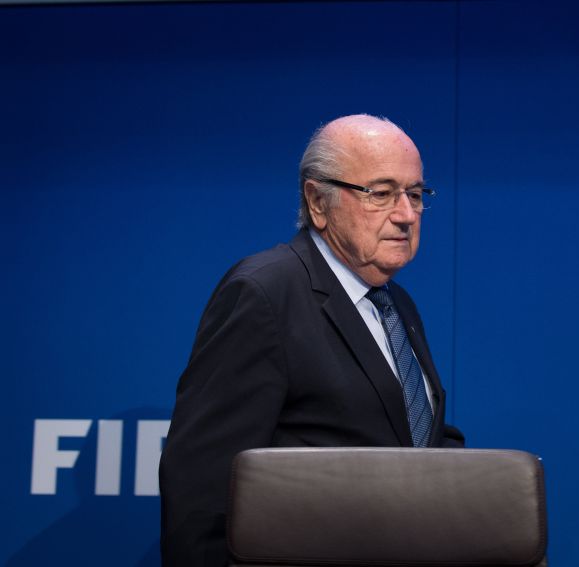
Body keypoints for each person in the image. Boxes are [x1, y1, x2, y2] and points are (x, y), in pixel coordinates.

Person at [159, 114, 464, 566]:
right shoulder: (266, 293)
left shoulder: (395, 303)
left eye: (415, 195)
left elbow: (412, 440)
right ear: (318, 201)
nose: (405, 215)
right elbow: (201, 484)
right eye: (381, 193)